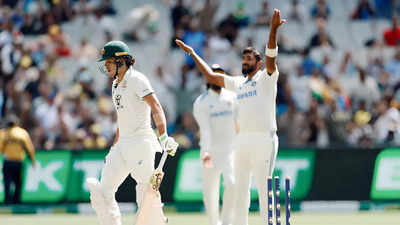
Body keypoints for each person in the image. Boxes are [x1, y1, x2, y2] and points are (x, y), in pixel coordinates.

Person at [176, 9, 285, 225]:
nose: (245, 61)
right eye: (243, 58)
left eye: (249, 58)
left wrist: (272, 30)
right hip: (242, 140)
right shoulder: (237, 83)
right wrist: (192, 53)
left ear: (259, 63)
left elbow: (271, 55)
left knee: (265, 189)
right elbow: (210, 76)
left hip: (264, 138)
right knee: (240, 191)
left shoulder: (267, 78)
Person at [85, 41, 179, 225]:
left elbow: (156, 107)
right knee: (103, 192)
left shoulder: (137, 79)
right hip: (122, 145)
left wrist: (163, 136)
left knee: (145, 192)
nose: (106, 66)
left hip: (141, 142)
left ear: (121, 60)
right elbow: (123, 118)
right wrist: (113, 147)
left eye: (109, 62)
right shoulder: (115, 85)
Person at [193, 64, 238, 225]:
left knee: (232, 184)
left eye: (220, 75)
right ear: (208, 76)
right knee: (210, 191)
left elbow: (239, 123)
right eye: (214, 74)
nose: (217, 78)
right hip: (210, 152)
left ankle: (226, 221)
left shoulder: (232, 98)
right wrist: (206, 152)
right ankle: (214, 222)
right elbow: (205, 130)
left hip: (229, 151)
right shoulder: (201, 102)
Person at [0, 114, 36, 204]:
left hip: (7, 161)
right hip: (18, 161)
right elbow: (30, 148)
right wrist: (32, 160)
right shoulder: (22, 133)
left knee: (7, 182)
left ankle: (8, 200)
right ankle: (17, 201)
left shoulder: (4, 133)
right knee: (18, 182)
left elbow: (0, 148)